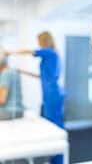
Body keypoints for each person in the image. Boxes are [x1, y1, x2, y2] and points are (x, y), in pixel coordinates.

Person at [6, 31, 65, 164]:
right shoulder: (50, 55)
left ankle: (58, 159)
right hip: (49, 93)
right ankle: (54, 158)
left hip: (52, 93)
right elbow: (41, 76)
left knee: (55, 126)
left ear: (44, 41)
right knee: (52, 123)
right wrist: (22, 71)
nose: (38, 44)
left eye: (39, 41)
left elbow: (30, 51)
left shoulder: (49, 52)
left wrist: (10, 52)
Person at [0, 49, 24, 120]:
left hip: (10, 111)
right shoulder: (14, 71)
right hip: (18, 110)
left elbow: (2, 100)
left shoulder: (6, 74)